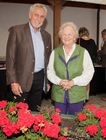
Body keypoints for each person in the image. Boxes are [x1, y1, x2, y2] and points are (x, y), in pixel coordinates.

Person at [6, 3, 52, 111]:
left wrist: (47, 81)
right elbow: (10, 58)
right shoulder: (17, 31)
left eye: (42, 16)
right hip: (21, 79)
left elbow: (48, 60)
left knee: (35, 110)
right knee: (20, 112)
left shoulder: (47, 36)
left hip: (40, 78)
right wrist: (13, 81)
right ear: (30, 15)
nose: (38, 18)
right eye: (36, 15)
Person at [47, 22, 94, 115]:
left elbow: (89, 71)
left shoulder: (83, 52)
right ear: (60, 36)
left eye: (69, 34)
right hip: (59, 94)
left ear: (75, 37)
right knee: (59, 121)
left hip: (77, 95)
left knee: (75, 123)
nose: (66, 37)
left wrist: (74, 82)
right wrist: (59, 81)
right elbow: (50, 71)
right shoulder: (55, 52)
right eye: (64, 34)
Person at [76, 27, 97, 100]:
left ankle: (80, 97)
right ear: (87, 32)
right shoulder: (92, 41)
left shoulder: (78, 41)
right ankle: (86, 97)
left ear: (80, 33)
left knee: (80, 81)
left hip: (80, 64)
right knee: (87, 81)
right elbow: (95, 53)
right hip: (89, 64)